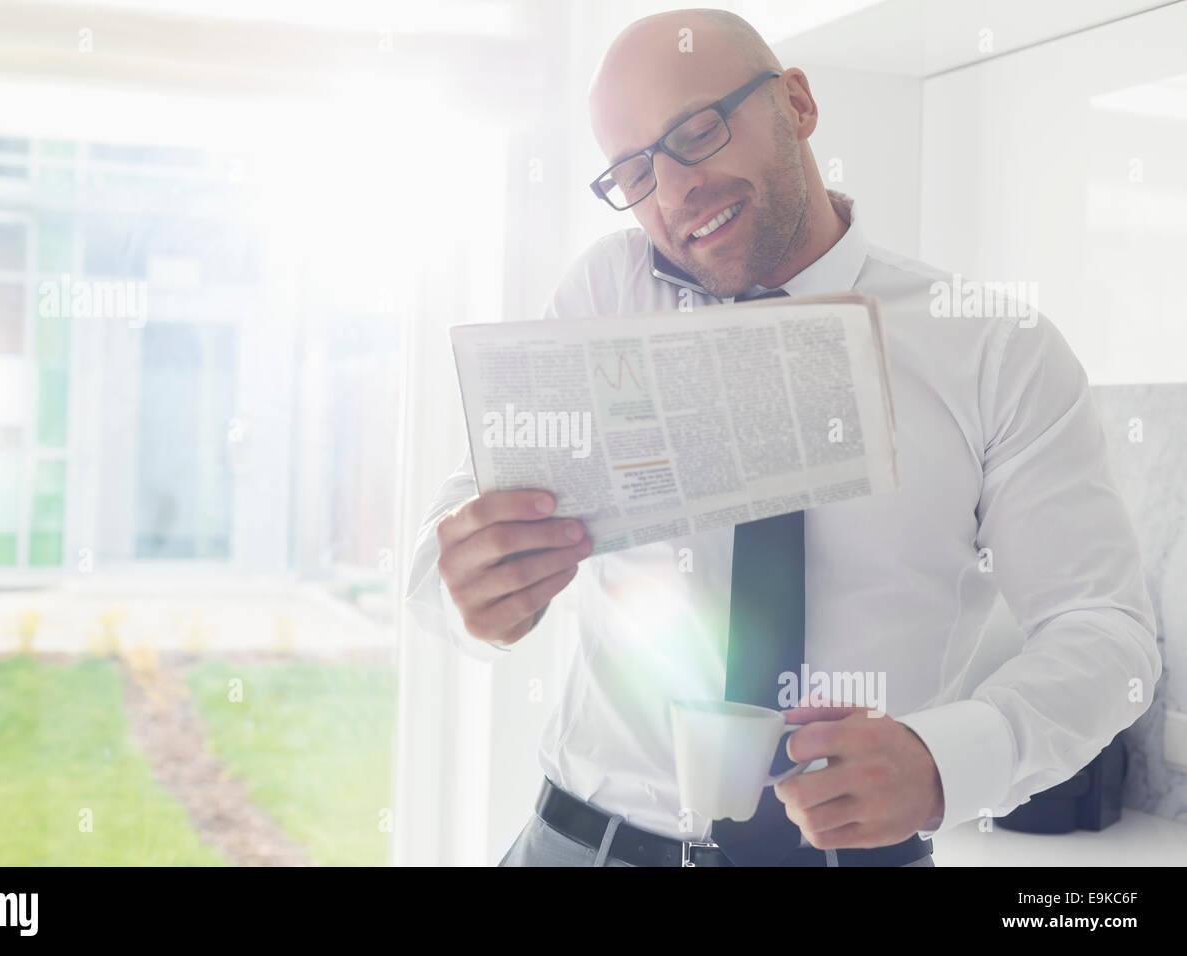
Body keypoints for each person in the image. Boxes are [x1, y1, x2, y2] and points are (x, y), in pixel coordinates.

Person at [404, 8, 1160, 866]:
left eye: (697, 131)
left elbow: (1106, 629)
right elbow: (450, 543)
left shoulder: (994, 350)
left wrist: (945, 762)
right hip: (581, 844)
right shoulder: (610, 292)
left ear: (796, 103)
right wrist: (474, 583)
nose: (676, 191)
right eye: (634, 173)